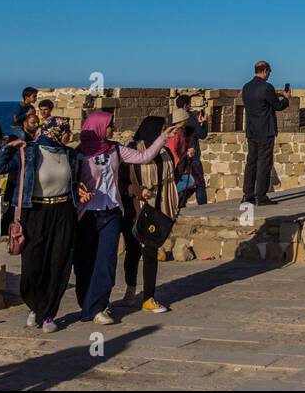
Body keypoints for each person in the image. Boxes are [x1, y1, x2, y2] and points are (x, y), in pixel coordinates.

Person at [0, 113, 91, 334]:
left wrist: (78, 190)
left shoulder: (70, 154)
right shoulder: (29, 152)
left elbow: (70, 182)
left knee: (59, 264)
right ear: (54, 131)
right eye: (66, 131)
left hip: (63, 212)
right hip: (35, 212)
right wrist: (9, 147)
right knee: (32, 265)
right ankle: (35, 304)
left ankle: (48, 314)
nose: (69, 134)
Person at [74, 110, 173, 325]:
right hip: (87, 215)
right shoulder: (79, 154)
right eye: (110, 125)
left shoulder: (115, 149)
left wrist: (162, 138)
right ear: (98, 127)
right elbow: (71, 182)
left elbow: (144, 157)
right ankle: (87, 305)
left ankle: (99, 307)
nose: (113, 129)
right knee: (85, 263)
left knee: (107, 262)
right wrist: (78, 190)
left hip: (111, 213)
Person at [121, 112, 184, 314]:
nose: (164, 132)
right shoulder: (131, 152)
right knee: (132, 251)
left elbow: (172, 179)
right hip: (134, 209)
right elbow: (122, 183)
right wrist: (138, 190)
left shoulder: (165, 153)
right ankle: (130, 289)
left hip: (156, 210)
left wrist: (185, 161)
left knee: (150, 252)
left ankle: (149, 297)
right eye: (161, 129)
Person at [241, 61, 290, 205]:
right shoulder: (267, 87)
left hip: (252, 130)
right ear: (265, 70)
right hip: (266, 131)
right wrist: (286, 98)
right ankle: (261, 196)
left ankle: (248, 195)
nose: (269, 74)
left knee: (251, 162)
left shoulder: (246, 87)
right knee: (264, 163)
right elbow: (278, 106)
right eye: (269, 71)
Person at [174, 95, 209, 206]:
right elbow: (202, 134)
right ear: (185, 105)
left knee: (182, 182)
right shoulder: (189, 119)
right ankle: (202, 207)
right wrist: (204, 122)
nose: (190, 106)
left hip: (178, 157)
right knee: (199, 182)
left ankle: (180, 203)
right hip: (192, 156)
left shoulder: (172, 117)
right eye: (189, 104)